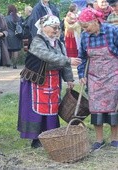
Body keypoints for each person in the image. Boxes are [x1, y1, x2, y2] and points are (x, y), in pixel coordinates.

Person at [17, 14, 82, 148]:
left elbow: (63, 61)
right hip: (36, 80)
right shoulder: (37, 41)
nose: (56, 30)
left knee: (52, 106)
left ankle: (51, 134)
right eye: (54, 27)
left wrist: (69, 79)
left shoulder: (59, 43)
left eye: (58, 28)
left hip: (53, 79)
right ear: (44, 27)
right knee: (36, 109)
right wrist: (68, 60)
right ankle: (36, 138)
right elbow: (47, 56)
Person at [78, 8, 118, 152]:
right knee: (96, 109)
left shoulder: (112, 31)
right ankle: (99, 140)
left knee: (114, 107)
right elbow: (82, 58)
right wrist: (82, 74)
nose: (85, 30)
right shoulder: (84, 37)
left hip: (113, 75)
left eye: (86, 26)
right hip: (94, 77)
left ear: (95, 21)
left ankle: (115, 139)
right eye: (82, 27)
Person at [5, 4, 23, 69]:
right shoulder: (18, 17)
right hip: (16, 35)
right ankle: (15, 64)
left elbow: (4, 27)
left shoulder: (6, 18)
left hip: (8, 36)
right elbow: (22, 25)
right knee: (16, 50)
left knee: (9, 50)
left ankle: (8, 63)